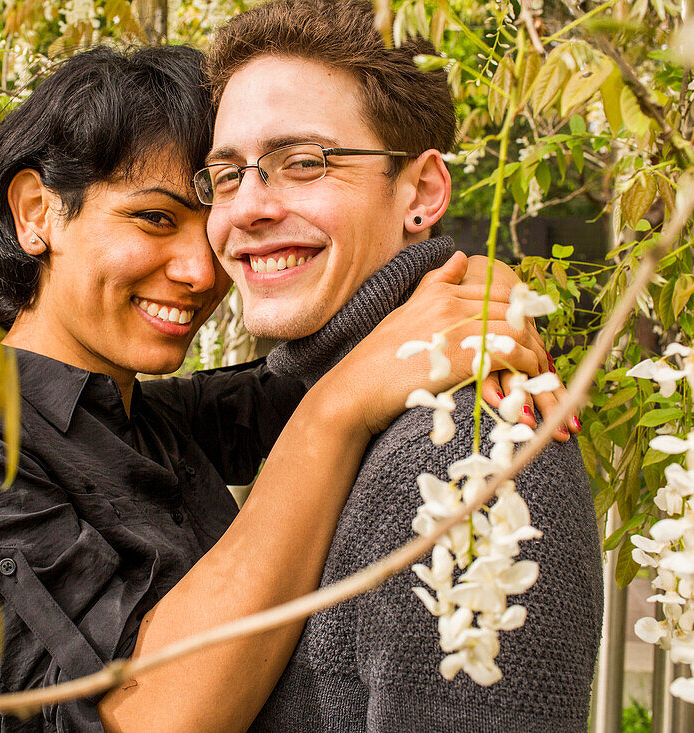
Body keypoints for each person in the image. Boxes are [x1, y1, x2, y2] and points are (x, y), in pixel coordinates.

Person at [0, 45, 554, 732]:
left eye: (211, 224)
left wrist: (460, 279)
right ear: (37, 213)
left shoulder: (148, 417)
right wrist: (333, 413)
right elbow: (111, 720)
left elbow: (319, 372)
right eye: (155, 219)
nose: (202, 271)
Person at [192, 0, 606, 729]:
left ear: (420, 193)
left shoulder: (469, 452)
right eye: (227, 175)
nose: (247, 207)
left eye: (303, 162)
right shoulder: (330, 408)